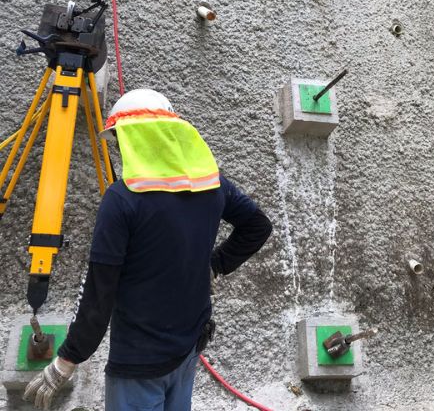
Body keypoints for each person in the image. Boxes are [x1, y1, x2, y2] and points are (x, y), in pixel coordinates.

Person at [24, 89, 272, 410]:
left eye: (119, 140)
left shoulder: (123, 199)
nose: (119, 148)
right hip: (188, 349)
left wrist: (67, 360)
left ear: (135, 139)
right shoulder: (211, 185)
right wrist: (216, 264)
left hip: (138, 365)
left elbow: (99, 293)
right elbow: (258, 226)